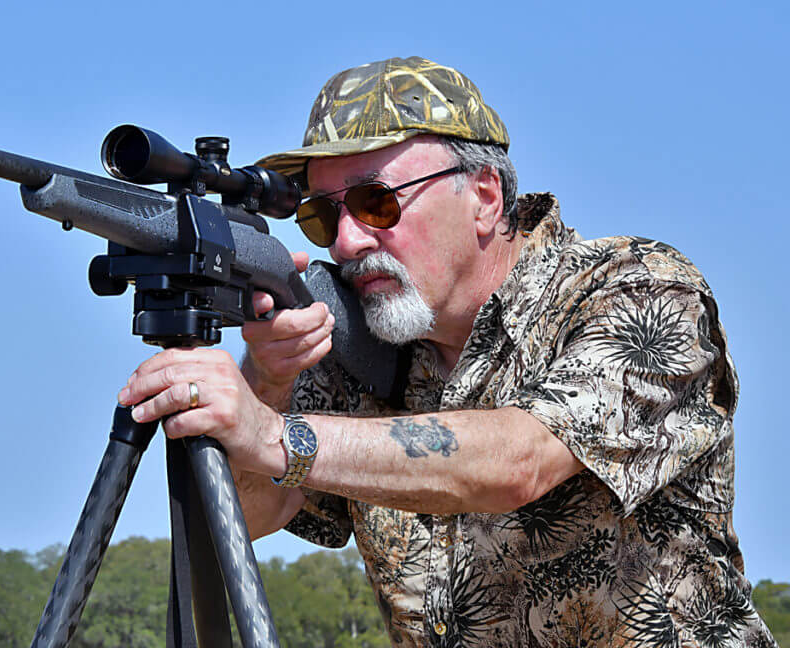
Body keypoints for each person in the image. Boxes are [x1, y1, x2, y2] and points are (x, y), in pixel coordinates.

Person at [118, 57, 776, 647]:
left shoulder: (637, 287)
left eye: (376, 202)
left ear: (485, 197)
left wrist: (279, 435)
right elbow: (249, 518)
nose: (345, 242)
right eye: (323, 215)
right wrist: (269, 378)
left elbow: (521, 459)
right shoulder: (357, 339)